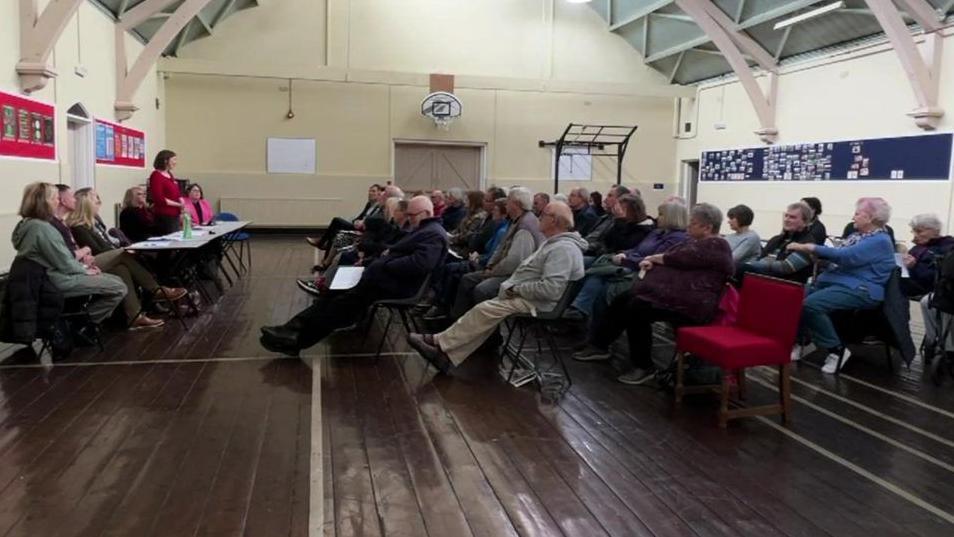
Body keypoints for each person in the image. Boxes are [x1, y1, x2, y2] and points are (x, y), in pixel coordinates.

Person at [407, 201, 586, 373]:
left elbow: (550, 289)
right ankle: (444, 355)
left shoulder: (563, 249)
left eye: (543, 214)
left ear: (554, 220)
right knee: (485, 310)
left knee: (485, 309)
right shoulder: (556, 244)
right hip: (530, 297)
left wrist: (516, 289)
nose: (538, 217)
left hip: (539, 303)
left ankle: (438, 343)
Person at [259, 195, 447, 354]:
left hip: (396, 288)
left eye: (412, 215)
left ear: (427, 214)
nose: (409, 218)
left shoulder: (433, 234)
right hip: (384, 280)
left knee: (340, 304)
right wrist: (374, 261)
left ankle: (296, 340)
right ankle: (290, 330)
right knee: (332, 296)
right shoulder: (425, 231)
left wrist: (385, 261)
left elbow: (420, 264)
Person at [573, 203, 733, 385]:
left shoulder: (717, 245)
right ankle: (599, 345)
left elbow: (679, 258)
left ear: (708, 227)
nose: (688, 226)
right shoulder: (697, 243)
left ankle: (643, 366)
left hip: (692, 305)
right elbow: (678, 258)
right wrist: (656, 261)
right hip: (677, 297)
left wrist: (654, 259)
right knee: (624, 298)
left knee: (637, 308)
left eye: (693, 223)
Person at [786, 197, 896, 374]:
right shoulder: (857, 237)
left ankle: (836, 350)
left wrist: (810, 247)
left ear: (870, 218)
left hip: (862, 289)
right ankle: (799, 341)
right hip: (838, 282)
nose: (853, 217)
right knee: (794, 296)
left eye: (858, 213)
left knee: (811, 305)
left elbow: (845, 256)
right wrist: (821, 259)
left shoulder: (880, 240)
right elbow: (841, 259)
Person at [67, 189, 187, 328]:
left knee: (121, 269)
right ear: (86, 204)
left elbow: (106, 245)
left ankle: (134, 315)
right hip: (92, 262)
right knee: (125, 254)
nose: (99, 201)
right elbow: (96, 250)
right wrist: (116, 251)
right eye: (95, 199)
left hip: (106, 258)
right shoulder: (79, 227)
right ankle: (155, 290)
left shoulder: (94, 224)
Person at [12, 183, 127, 324]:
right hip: (55, 279)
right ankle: (79, 325)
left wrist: (84, 268)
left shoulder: (27, 224)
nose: (57, 201)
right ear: (45, 202)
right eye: (55, 198)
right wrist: (85, 271)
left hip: (47, 277)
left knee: (117, 280)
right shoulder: (42, 228)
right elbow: (64, 262)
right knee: (119, 287)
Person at [568, 200, 688, 321]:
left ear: (672, 217)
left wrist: (626, 259)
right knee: (595, 274)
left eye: (661, 214)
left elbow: (653, 259)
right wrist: (624, 253)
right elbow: (636, 248)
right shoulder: (657, 232)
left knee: (598, 278)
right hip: (628, 262)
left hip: (642, 271)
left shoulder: (676, 238)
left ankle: (580, 312)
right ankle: (580, 314)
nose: (658, 217)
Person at [449, 187, 544, 319]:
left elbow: (514, 261)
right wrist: (490, 266)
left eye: (508, 201)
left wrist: (493, 271)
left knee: (481, 289)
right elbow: (501, 247)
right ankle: (461, 322)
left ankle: (484, 332)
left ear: (516, 204)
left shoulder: (525, 227)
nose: (506, 204)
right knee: (467, 279)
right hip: (505, 271)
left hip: (517, 277)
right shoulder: (518, 220)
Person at [738, 202, 816, 284]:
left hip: (784, 284)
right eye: (786, 216)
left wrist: (752, 264)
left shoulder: (807, 244)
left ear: (805, 222)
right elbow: (760, 259)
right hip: (762, 277)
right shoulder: (775, 239)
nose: (786, 220)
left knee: (739, 268)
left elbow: (786, 267)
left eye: (792, 217)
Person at [306, 183, 383, 249]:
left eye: (373, 191)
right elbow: (361, 216)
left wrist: (361, 223)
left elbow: (371, 222)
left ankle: (321, 242)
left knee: (336, 220)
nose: (370, 193)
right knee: (335, 232)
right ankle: (325, 260)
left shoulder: (378, 207)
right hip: (357, 226)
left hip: (363, 230)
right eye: (369, 191)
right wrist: (355, 221)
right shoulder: (369, 204)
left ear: (379, 194)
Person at [583, 194, 654, 258]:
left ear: (634, 211)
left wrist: (620, 220)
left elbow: (623, 246)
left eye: (623, 209)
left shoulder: (644, 229)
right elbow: (607, 240)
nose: (618, 211)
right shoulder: (624, 223)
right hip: (603, 255)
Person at [582, 185, 630, 255]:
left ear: (620, 199)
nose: (605, 200)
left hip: (597, 254)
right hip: (586, 247)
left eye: (610, 196)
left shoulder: (624, 221)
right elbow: (591, 236)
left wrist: (584, 247)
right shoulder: (605, 217)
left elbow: (607, 245)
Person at [149, 150, 185, 234]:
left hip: (174, 214)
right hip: (164, 216)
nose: (175, 162)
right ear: (165, 160)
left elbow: (176, 192)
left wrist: (181, 200)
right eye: (174, 160)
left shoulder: (169, 174)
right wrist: (179, 204)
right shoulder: (156, 175)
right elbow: (159, 198)